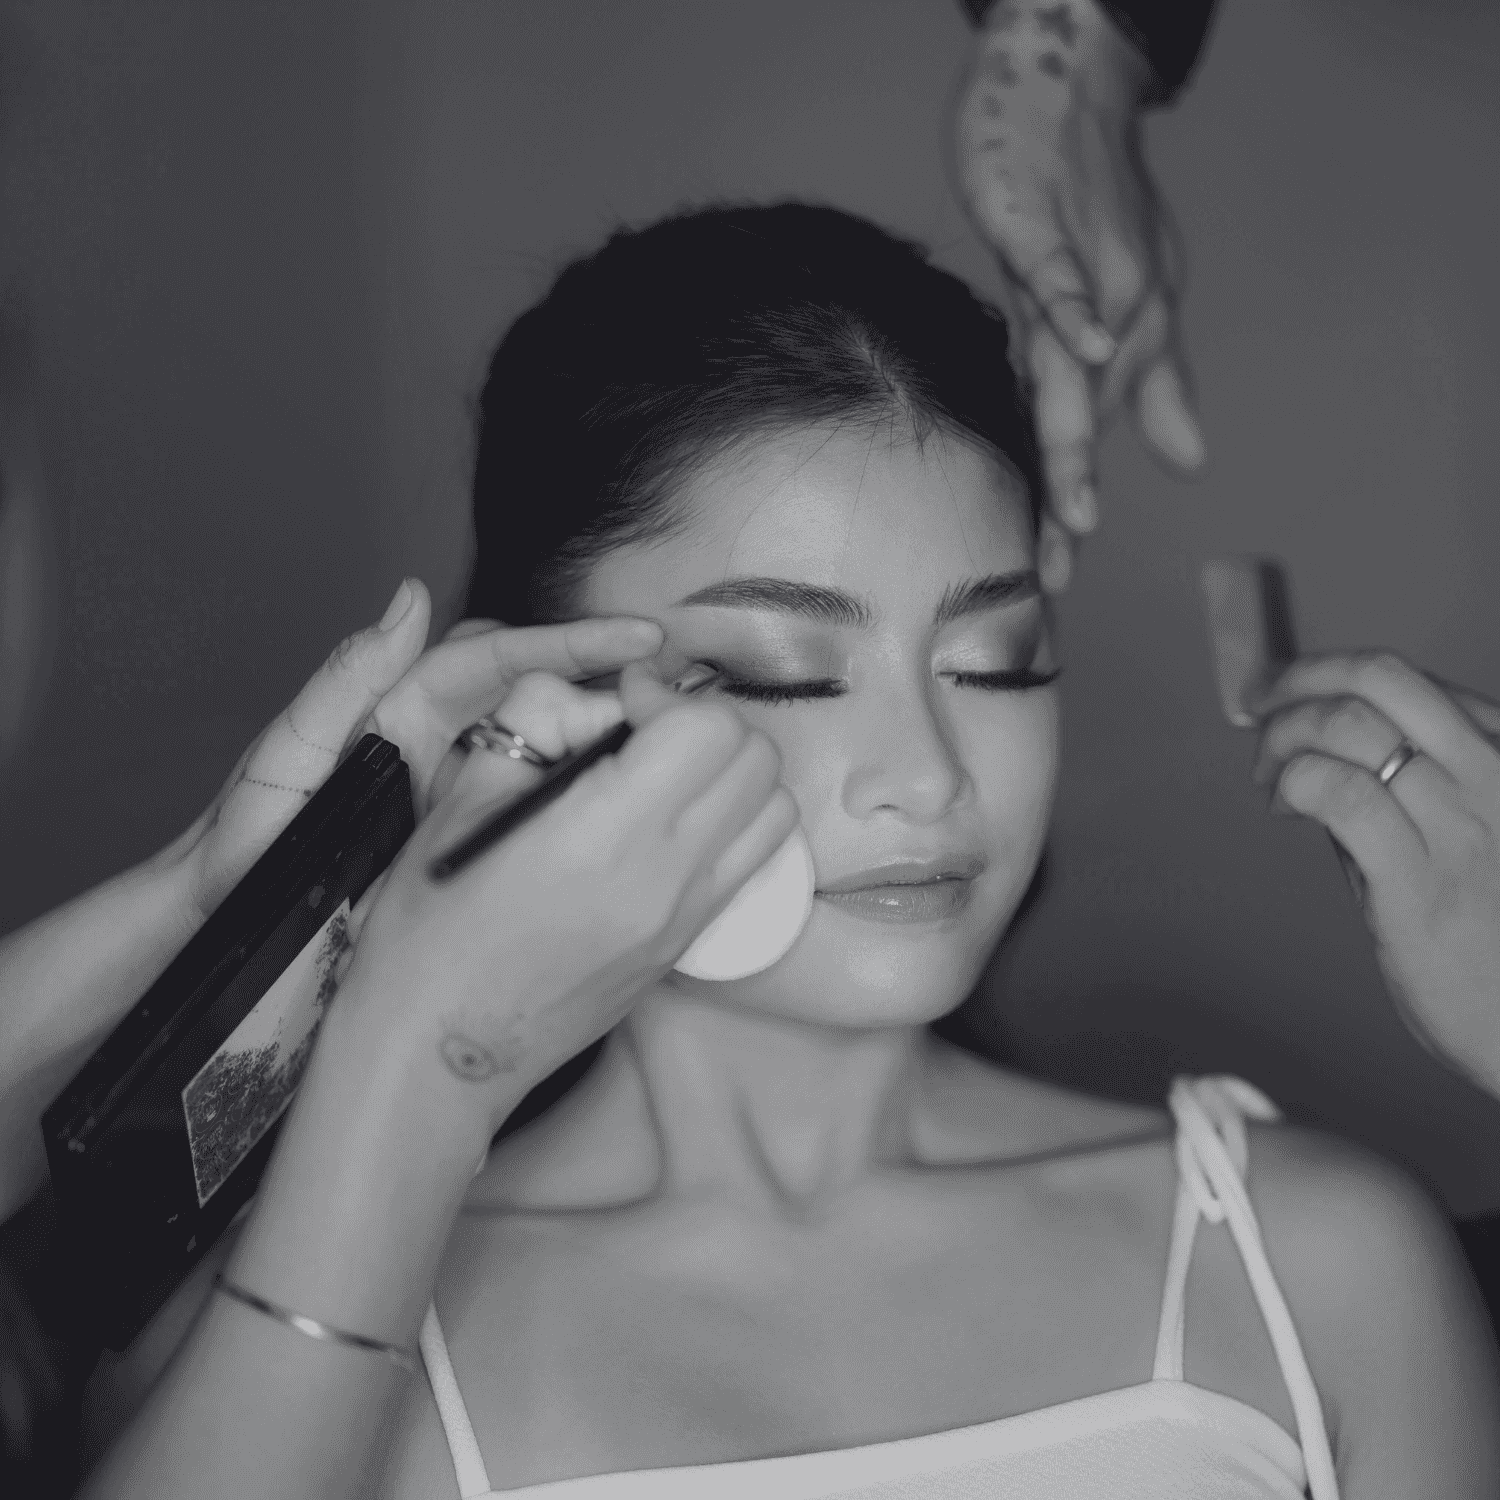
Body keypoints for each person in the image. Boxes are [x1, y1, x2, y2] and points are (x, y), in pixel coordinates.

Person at [69, 204, 1500, 1499]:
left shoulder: (1318, 1262)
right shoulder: (303, 1349)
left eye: (995, 661)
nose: (928, 777)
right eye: (780, 674)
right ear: (533, 698)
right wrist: (417, 1054)